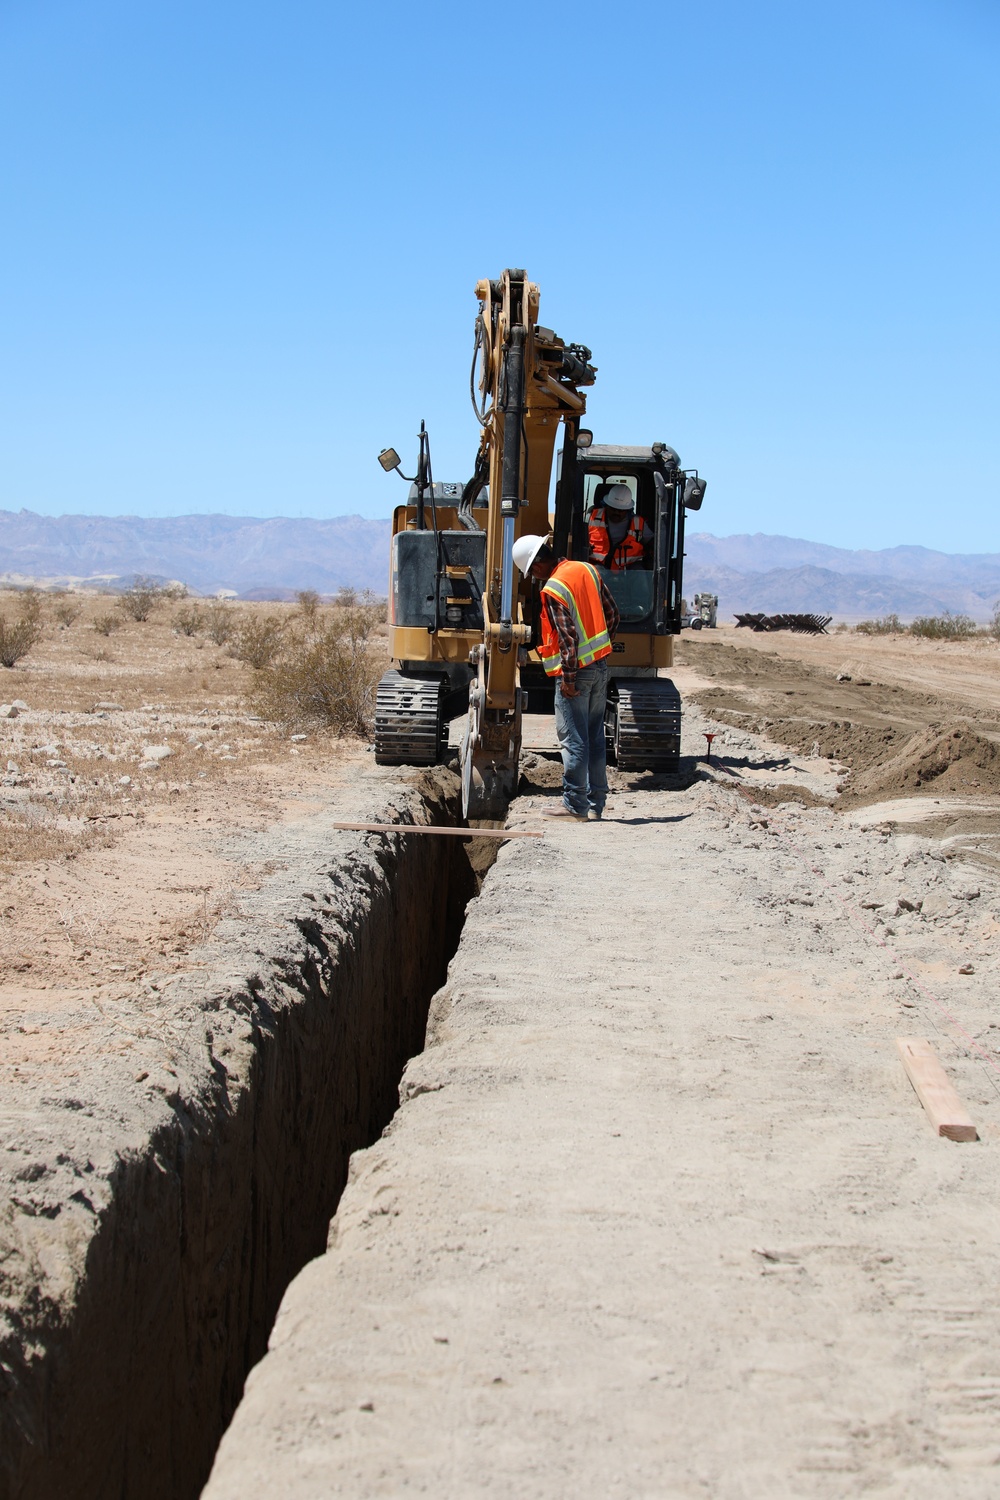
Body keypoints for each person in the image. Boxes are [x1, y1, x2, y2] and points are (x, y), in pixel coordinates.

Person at [511, 534, 620, 822]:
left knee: (574, 740)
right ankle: (597, 804)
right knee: (595, 737)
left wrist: (569, 678)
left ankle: (574, 806)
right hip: (600, 667)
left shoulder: (554, 588)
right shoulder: (587, 569)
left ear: (536, 566)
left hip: (575, 673)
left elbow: (568, 638)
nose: (534, 578)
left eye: (531, 572)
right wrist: (598, 651)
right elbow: (613, 615)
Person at [588, 483, 652, 570]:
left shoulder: (638, 523)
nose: (616, 512)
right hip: (598, 566)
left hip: (629, 570)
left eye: (620, 510)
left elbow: (652, 543)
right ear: (606, 506)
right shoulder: (591, 517)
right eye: (613, 509)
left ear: (627, 510)